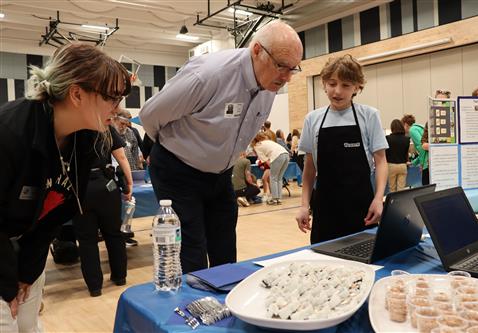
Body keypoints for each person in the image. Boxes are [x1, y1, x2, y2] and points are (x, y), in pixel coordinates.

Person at [139, 20, 303, 273]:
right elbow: (150, 115)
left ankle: (224, 307)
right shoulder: (208, 75)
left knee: (225, 248)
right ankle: (194, 309)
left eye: (294, 69)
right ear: (257, 50)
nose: (288, 77)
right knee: (192, 249)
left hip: (220, 174)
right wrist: (177, 146)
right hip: (177, 172)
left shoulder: (270, 84)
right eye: (282, 66)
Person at [0, 43, 130, 332]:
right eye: (112, 97)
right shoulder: (10, 132)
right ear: (76, 94)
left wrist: (28, 273)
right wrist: (7, 285)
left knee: (29, 326)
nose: (118, 108)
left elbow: (55, 214)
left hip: (24, 245)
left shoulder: (84, 139)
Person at [295, 54, 388, 243]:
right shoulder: (312, 119)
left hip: (362, 209)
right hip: (325, 210)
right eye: (332, 83)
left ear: (357, 87)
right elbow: (309, 168)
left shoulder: (369, 116)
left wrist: (379, 199)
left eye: (345, 85)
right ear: (324, 84)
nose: (337, 91)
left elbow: (381, 161)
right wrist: (304, 205)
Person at [73, 125, 132, 297]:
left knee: (87, 240)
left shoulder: (70, 129)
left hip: (80, 189)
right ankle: (120, 277)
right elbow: (121, 157)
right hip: (107, 185)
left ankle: (94, 287)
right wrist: (128, 183)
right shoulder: (105, 128)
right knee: (114, 233)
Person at [251, 132, 290, 205]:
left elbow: (265, 160)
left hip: (277, 156)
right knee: (279, 178)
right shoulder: (268, 141)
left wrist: (271, 166)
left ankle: (274, 199)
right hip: (286, 155)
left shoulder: (257, 146)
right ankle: (279, 198)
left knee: (273, 178)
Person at [401, 114, 427, 185]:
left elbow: (422, 148)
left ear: (406, 124)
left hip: (426, 164)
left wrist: (422, 164)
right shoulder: (420, 128)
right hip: (428, 161)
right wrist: (413, 163)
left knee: (426, 189)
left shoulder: (412, 130)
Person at [385, 119, 410, 192]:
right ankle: (400, 203)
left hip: (391, 165)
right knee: (401, 190)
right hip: (402, 165)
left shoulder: (387, 138)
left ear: (392, 128)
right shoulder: (407, 139)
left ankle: (392, 203)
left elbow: (386, 153)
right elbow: (406, 153)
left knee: (392, 188)